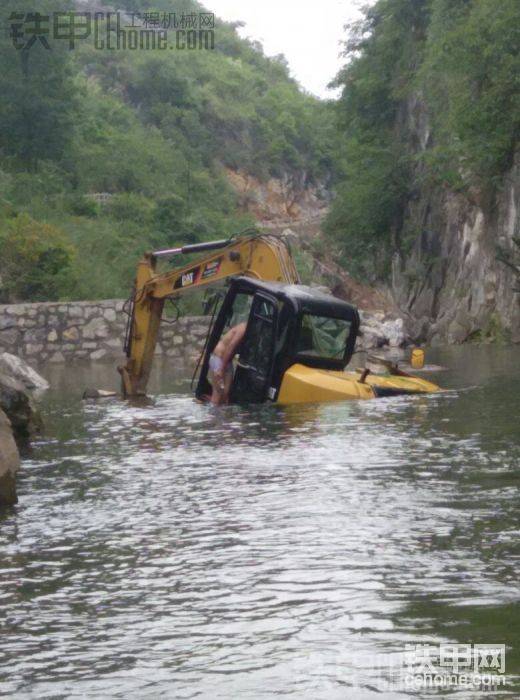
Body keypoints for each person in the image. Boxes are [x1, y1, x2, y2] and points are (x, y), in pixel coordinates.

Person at [208, 322, 247, 405]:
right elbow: (230, 347)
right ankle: (212, 416)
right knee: (218, 393)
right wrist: (221, 369)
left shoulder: (247, 331)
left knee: (226, 394)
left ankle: (221, 417)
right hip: (219, 360)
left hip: (226, 361)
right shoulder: (243, 328)